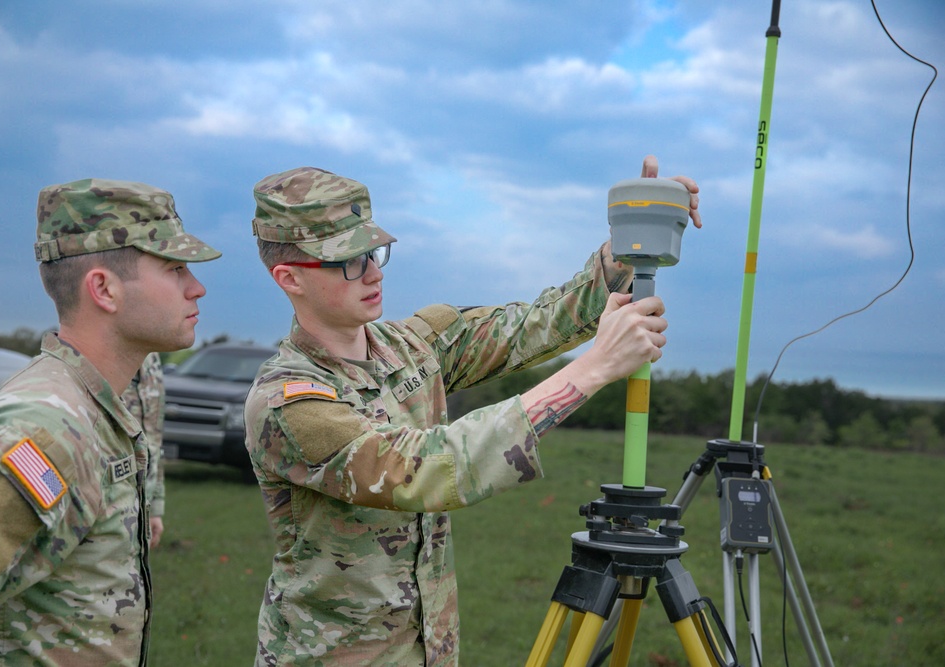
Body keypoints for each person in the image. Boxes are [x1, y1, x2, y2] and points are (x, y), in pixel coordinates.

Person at [243, 157, 701, 666]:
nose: (372, 272)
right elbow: (418, 471)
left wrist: (630, 243)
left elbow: (533, 324)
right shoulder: (288, 402)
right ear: (290, 278)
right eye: (348, 261)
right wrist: (593, 370)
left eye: (374, 251)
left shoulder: (416, 343)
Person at [0, 179, 220, 666]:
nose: (196, 287)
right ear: (104, 289)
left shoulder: (96, 408)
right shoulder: (45, 428)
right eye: (175, 269)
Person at [122, 351, 167, 548]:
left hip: (142, 507)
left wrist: (154, 507)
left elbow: (154, 440)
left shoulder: (151, 358)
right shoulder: (96, 352)